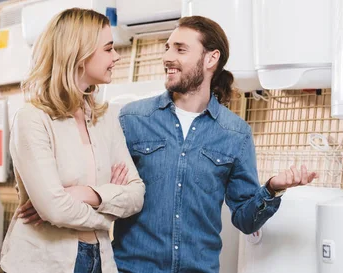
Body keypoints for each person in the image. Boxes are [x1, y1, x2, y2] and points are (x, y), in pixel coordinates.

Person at [112, 16, 316, 273]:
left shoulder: (235, 133)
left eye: (180, 49)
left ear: (211, 59)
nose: (167, 57)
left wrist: (273, 189)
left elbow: (245, 220)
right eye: (167, 47)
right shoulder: (133, 119)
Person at [0, 8, 145, 273]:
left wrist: (86, 194)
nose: (117, 56)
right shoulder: (32, 119)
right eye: (108, 49)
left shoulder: (107, 118)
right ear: (80, 54)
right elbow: (55, 210)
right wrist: (109, 210)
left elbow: (136, 195)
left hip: (99, 259)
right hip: (40, 263)